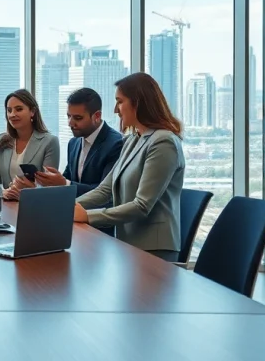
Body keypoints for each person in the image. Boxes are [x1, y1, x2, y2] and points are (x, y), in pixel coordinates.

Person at [74, 72, 185, 262]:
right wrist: (69, 206)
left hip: (154, 249)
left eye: (120, 101)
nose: (116, 110)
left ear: (138, 103)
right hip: (128, 243)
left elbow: (142, 205)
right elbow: (104, 190)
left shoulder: (163, 142)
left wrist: (87, 216)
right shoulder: (132, 139)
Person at [34, 88, 123, 197]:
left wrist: (64, 183)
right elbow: (68, 179)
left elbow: (106, 192)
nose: (70, 123)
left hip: (97, 212)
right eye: (68, 116)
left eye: (78, 118)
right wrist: (51, 180)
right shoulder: (73, 143)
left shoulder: (115, 143)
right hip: (72, 210)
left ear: (97, 116)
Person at [0, 89, 60, 201]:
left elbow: (50, 187)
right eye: (9, 110)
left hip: (34, 206)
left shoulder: (49, 142)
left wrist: (31, 190)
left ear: (32, 111)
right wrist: (2, 192)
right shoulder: (1, 140)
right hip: (6, 206)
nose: (12, 114)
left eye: (19, 109)